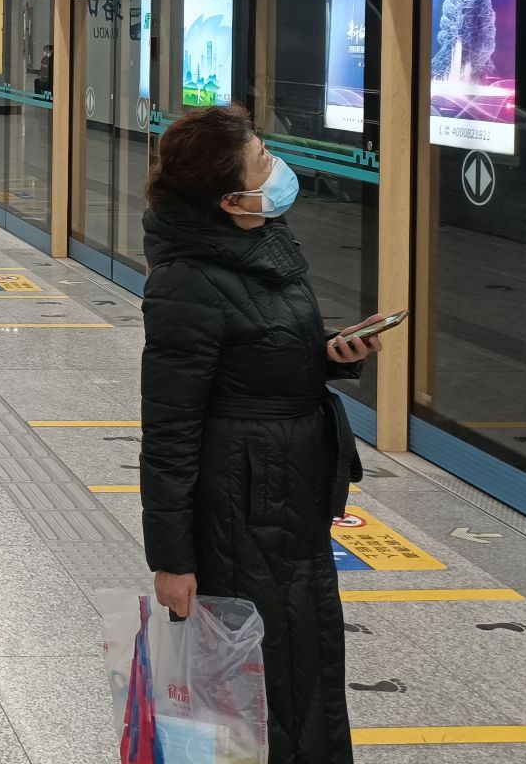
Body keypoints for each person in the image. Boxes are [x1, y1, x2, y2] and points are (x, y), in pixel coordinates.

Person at [138, 104, 381, 764]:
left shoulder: (264, 245)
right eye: (261, 163)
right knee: (252, 689)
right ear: (229, 197)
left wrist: (331, 351)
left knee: (307, 668)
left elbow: (264, 351)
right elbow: (168, 430)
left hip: (290, 502)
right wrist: (173, 560)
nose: (276, 169)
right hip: (239, 510)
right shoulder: (185, 282)